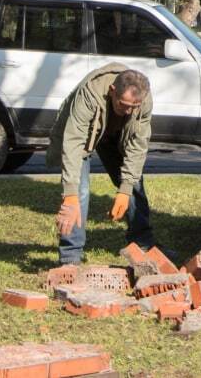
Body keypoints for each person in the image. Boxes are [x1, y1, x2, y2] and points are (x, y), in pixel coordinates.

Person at [48, 63, 154, 264]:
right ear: (112, 91)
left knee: (134, 185)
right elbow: (73, 141)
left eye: (134, 107)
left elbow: (138, 146)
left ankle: (142, 245)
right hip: (84, 137)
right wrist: (70, 194)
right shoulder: (90, 92)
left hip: (116, 137)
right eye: (124, 105)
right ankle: (71, 256)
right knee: (80, 192)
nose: (130, 111)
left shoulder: (143, 100)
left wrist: (125, 189)